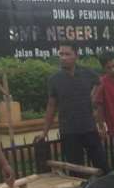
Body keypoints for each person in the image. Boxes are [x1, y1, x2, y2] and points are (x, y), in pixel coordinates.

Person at [37, 41, 108, 173]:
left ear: (76, 55)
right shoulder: (54, 79)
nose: (63, 57)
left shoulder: (87, 73)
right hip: (69, 132)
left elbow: (101, 82)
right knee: (76, 172)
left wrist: (93, 96)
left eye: (67, 54)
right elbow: (51, 106)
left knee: (102, 166)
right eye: (61, 54)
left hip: (89, 128)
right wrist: (44, 132)